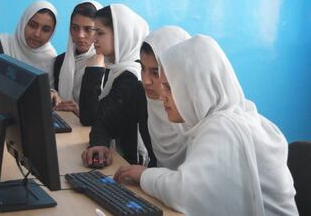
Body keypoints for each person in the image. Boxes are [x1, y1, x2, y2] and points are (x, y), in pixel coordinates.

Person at [114, 35, 298, 215]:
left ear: (195, 88)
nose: (162, 95)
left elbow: (185, 193)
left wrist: (144, 175)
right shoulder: (233, 116)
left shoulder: (222, 127)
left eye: (170, 87)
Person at [80, 4, 152, 166]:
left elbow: (90, 117)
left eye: (100, 33)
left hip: (131, 163)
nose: (93, 39)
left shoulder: (131, 77)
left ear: (121, 36)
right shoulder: (115, 69)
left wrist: (93, 69)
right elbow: (100, 122)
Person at [0, 0, 60, 104]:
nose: (37, 34)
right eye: (32, 25)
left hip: (25, 117)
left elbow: (48, 94)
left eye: (46, 30)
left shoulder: (50, 57)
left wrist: (51, 93)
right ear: (23, 22)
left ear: (52, 33)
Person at [140, 26, 190, 169]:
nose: (145, 81)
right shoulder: (143, 99)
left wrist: (147, 176)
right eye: (142, 68)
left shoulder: (196, 118)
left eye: (155, 72)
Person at [53, 0, 103, 116]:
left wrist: (79, 112)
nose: (80, 35)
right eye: (75, 28)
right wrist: (53, 95)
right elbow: (55, 92)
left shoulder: (105, 65)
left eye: (88, 29)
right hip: (65, 123)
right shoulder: (61, 61)